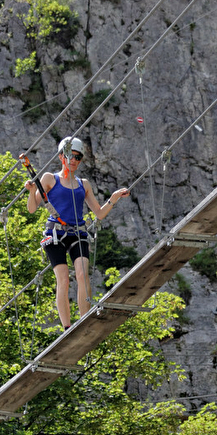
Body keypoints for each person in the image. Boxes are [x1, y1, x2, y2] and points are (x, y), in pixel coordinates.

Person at [22, 137, 132, 328]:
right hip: (55, 234)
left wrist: (114, 198)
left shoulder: (84, 184)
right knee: (63, 278)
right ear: (61, 156)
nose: (73, 160)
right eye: (69, 156)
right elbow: (32, 208)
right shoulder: (49, 178)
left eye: (78, 157)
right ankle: (67, 326)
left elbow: (99, 213)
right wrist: (32, 191)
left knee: (82, 274)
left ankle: (84, 320)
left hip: (77, 234)